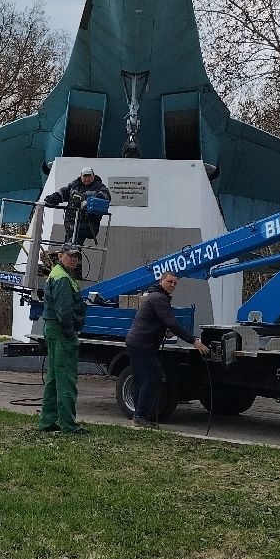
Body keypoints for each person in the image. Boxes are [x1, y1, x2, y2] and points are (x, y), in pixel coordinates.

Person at [124, 271, 209, 428]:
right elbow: (172, 323)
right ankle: (140, 416)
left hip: (137, 342)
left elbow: (159, 321)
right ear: (161, 280)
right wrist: (193, 341)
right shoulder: (159, 298)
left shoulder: (155, 296)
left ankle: (138, 415)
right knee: (153, 377)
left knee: (140, 379)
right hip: (143, 344)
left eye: (175, 283)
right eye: (170, 282)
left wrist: (163, 329)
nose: (172, 285)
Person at [38, 244, 88, 435]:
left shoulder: (61, 274)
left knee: (53, 378)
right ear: (60, 256)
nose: (74, 259)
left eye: (76, 256)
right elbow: (64, 310)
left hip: (54, 329)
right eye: (70, 256)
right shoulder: (62, 279)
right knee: (66, 379)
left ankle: (48, 421)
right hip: (61, 332)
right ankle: (68, 425)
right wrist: (70, 332)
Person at [44, 166, 111, 246]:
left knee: (70, 248)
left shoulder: (99, 187)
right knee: (69, 248)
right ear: (81, 176)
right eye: (85, 176)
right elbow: (63, 193)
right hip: (70, 224)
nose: (87, 179)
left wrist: (86, 199)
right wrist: (51, 199)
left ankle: (68, 255)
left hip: (86, 225)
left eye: (89, 176)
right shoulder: (74, 185)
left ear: (93, 176)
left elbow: (105, 196)